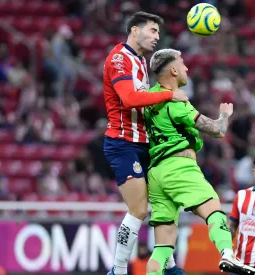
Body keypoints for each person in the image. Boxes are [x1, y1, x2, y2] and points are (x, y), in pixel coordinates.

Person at [144, 48, 255, 275]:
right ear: (173, 70)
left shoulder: (149, 98)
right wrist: (225, 114)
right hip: (180, 167)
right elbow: (217, 130)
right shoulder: (176, 102)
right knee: (213, 209)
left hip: (156, 173)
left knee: (162, 247)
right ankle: (228, 253)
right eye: (183, 64)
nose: (187, 68)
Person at [103, 11, 188, 275]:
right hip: (123, 142)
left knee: (165, 202)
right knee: (139, 209)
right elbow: (128, 99)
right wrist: (169, 94)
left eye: (158, 34)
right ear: (135, 30)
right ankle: (117, 270)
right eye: (152, 31)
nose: (156, 37)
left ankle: (169, 264)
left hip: (145, 143)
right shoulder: (119, 58)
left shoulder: (140, 60)